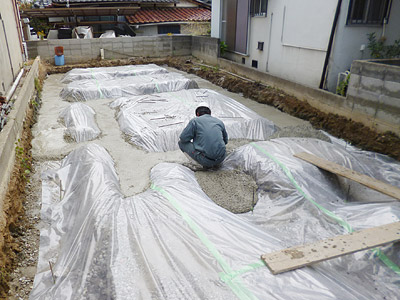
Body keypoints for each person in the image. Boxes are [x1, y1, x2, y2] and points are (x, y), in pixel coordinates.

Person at [178, 103, 228, 168]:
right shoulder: (219, 121)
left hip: (206, 161)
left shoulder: (195, 121)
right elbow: (225, 141)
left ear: (197, 114)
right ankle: (214, 163)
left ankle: (198, 164)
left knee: (181, 143)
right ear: (209, 113)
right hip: (221, 158)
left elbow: (183, 138)